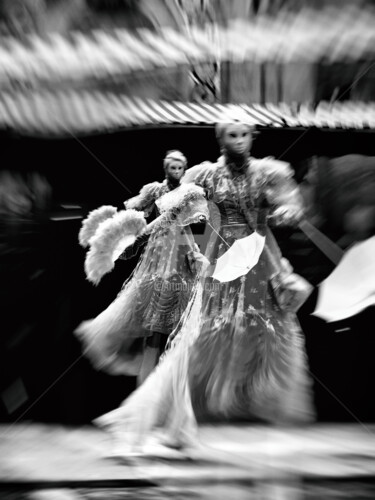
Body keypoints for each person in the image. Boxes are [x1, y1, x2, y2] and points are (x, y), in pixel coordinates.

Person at [94, 120, 315, 455]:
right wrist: (143, 229)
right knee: (200, 338)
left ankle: (254, 403)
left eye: (244, 134)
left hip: (260, 256)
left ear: (252, 137)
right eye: (232, 135)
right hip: (223, 257)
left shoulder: (269, 172)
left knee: (272, 329)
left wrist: (286, 210)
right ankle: (162, 418)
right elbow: (176, 207)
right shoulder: (205, 175)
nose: (239, 141)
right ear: (220, 139)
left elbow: (290, 204)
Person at [75, 150, 208, 385]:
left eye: (180, 168)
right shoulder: (155, 190)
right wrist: (129, 235)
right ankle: (149, 379)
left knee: (176, 315)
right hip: (156, 253)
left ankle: (172, 380)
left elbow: (200, 223)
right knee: (152, 314)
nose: (176, 172)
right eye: (172, 167)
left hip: (180, 250)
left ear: (185, 169)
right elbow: (137, 214)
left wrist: (196, 244)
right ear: (165, 168)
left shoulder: (191, 193)